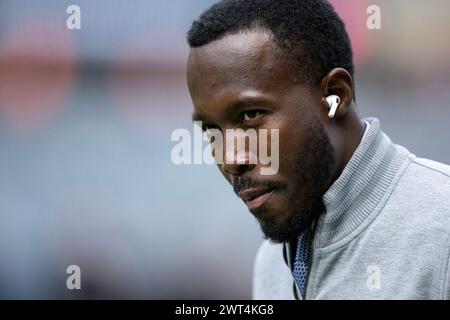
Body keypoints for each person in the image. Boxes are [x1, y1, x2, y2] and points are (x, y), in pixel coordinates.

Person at [185, 0, 450, 299]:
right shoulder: (272, 264)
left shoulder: (442, 227)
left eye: (250, 115)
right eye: (211, 130)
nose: (231, 159)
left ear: (335, 96)